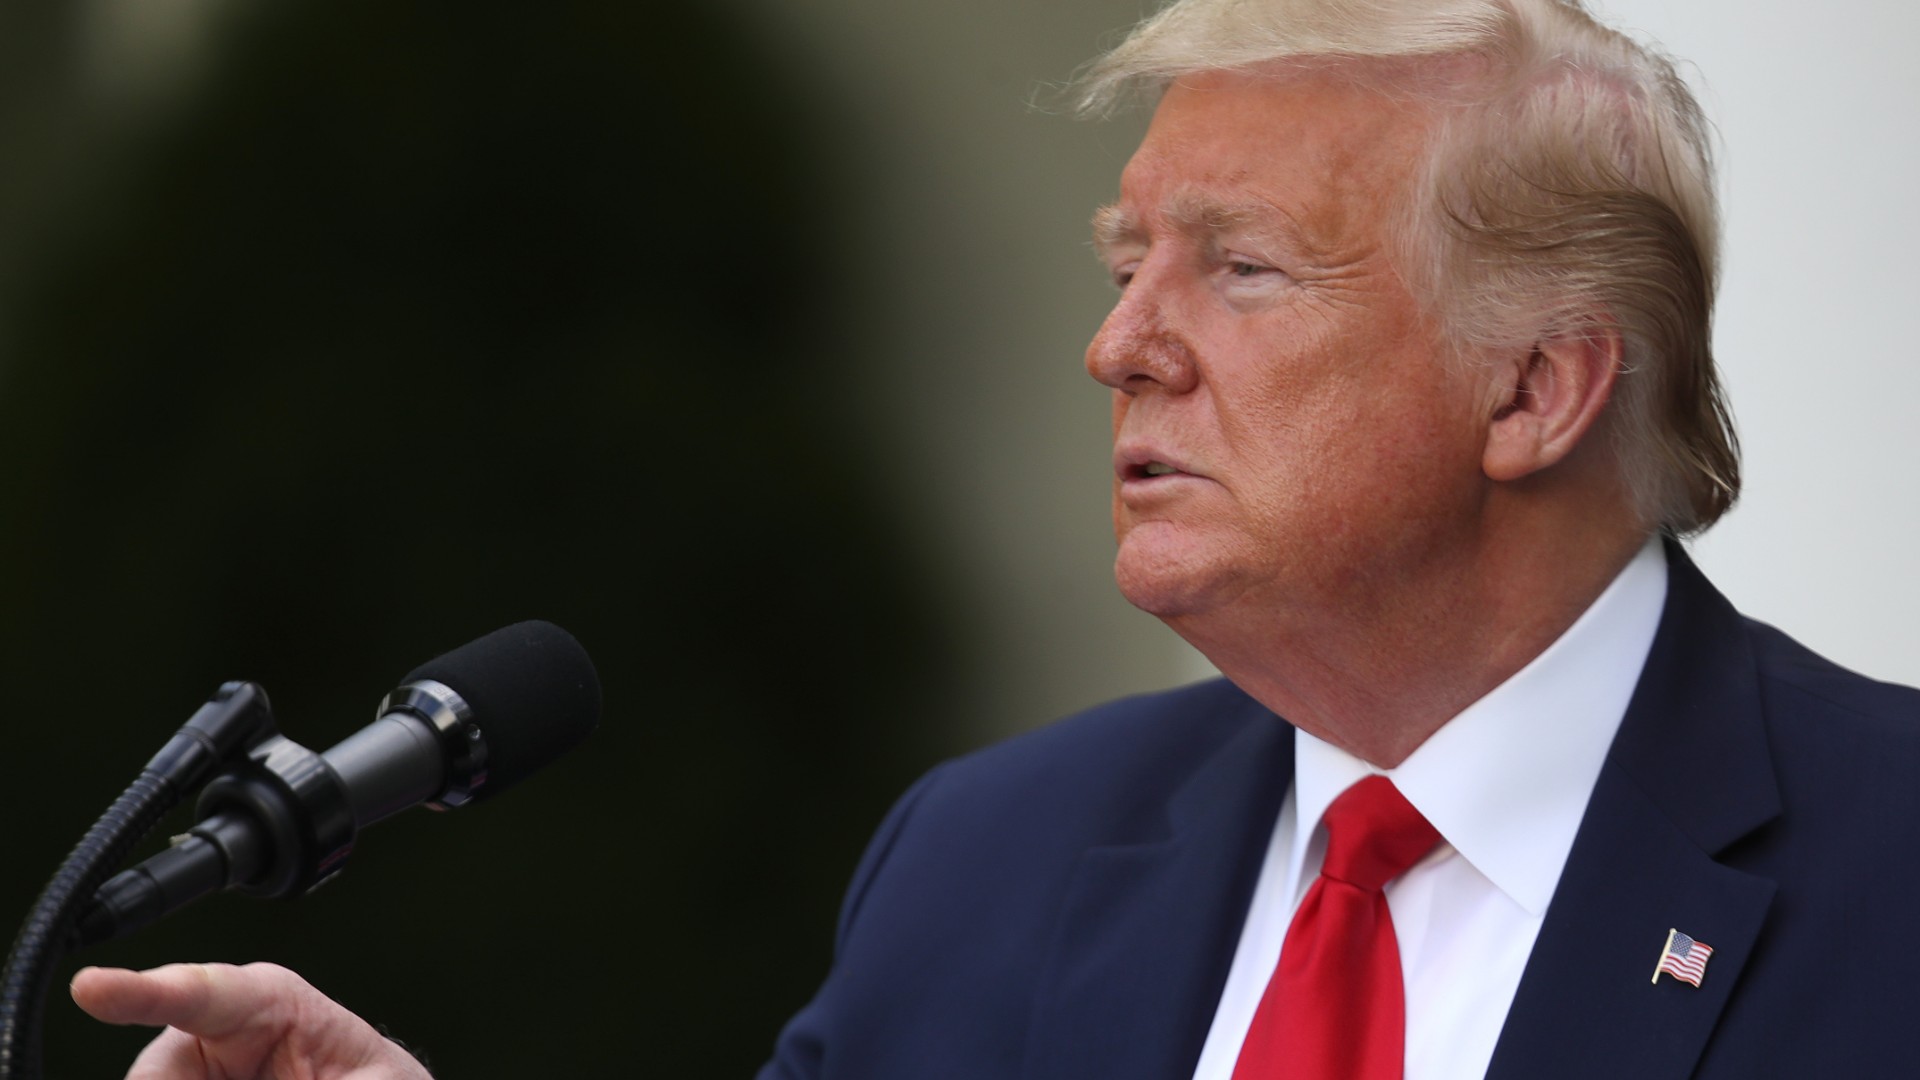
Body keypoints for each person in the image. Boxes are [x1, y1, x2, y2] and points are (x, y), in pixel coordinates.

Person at [73, 0, 1920, 1076]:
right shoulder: (986, 861)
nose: (1120, 346)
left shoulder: (1889, 870)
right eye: (1130, 266)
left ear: (1535, 390)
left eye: (1243, 270)